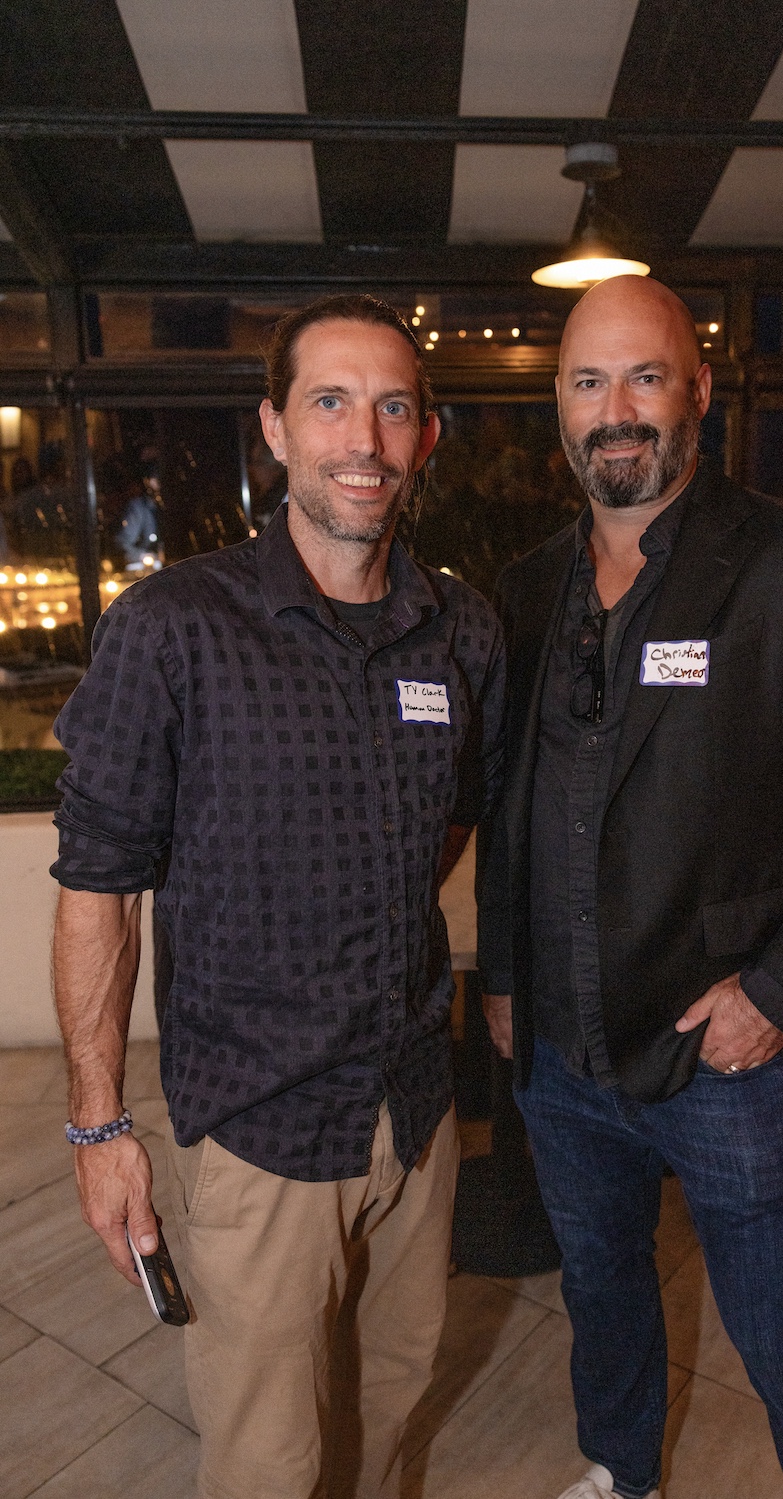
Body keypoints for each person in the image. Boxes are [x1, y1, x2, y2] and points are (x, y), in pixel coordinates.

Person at [476, 275, 783, 1499]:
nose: (616, 409)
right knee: (600, 1293)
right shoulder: (523, 591)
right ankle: (622, 1473)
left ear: (696, 389)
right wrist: (504, 977)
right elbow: (512, 808)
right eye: (589, 382)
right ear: (559, 407)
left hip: (728, 1060)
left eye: (645, 376)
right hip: (562, 1057)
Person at [51, 293, 504, 1499]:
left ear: (426, 436)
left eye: (393, 407)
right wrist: (98, 1126)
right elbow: (99, 882)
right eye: (331, 401)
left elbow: (457, 812)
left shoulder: (461, 630)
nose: (364, 437)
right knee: (268, 1460)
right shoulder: (173, 629)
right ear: (275, 426)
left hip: (414, 1110)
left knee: (389, 1408)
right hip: (259, 1128)